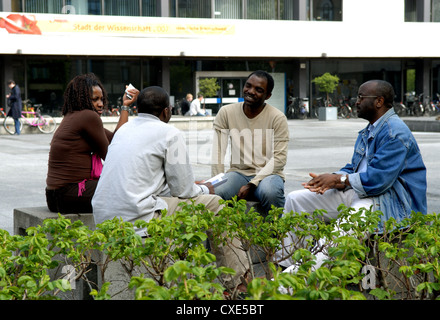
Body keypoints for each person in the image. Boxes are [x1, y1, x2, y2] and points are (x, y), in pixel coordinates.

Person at [92, 86, 249, 291]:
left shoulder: (123, 130)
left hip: (104, 219)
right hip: (138, 218)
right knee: (216, 204)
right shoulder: (169, 133)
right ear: (166, 111)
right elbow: (184, 192)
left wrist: (192, 187)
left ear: (138, 108)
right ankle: (239, 284)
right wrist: (206, 188)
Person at [276, 80, 427, 270]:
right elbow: (355, 168)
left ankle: (288, 284)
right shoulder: (371, 129)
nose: (356, 102)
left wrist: (339, 180)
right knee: (296, 199)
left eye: (361, 97)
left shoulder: (394, 133)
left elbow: (378, 181)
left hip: (389, 200)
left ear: (379, 101)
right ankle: (283, 266)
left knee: (340, 233)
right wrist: (331, 179)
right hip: (364, 192)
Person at [45, 73, 139, 214]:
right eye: (94, 99)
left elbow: (116, 140)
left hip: (56, 196)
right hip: (69, 194)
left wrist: (125, 106)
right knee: (134, 188)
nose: (100, 104)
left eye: (101, 99)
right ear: (81, 99)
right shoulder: (88, 117)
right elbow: (112, 156)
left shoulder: (73, 116)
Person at [211, 70, 289, 214]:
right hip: (237, 174)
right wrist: (216, 181)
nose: (251, 91)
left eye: (259, 90)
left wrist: (253, 184)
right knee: (214, 193)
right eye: (248, 86)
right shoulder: (226, 112)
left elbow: (280, 158)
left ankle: (277, 234)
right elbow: (218, 152)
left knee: (270, 192)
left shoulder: (277, 117)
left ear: (268, 95)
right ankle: (224, 235)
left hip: (269, 174)